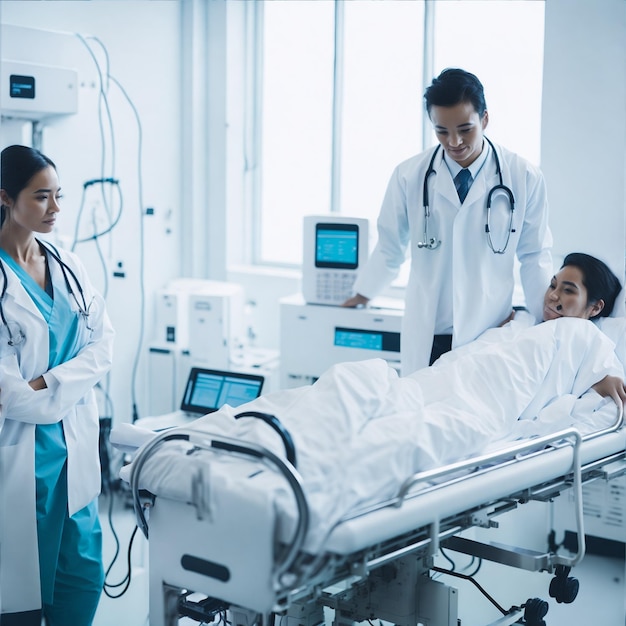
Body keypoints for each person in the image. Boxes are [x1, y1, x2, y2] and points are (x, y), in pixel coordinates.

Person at [118, 253, 625, 551]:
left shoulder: (586, 341)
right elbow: (470, 359)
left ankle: (279, 487)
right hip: (423, 387)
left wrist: (584, 402)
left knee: (399, 440)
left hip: (472, 415)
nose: (554, 298)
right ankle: (215, 442)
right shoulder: (519, 322)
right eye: (554, 286)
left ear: (595, 307)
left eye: (570, 292)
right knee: (348, 385)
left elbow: (605, 409)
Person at [343, 68, 553, 374]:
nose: (453, 141)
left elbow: (534, 255)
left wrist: (546, 318)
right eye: (442, 131)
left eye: (465, 129)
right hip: (430, 330)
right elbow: (390, 245)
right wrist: (364, 292)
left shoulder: (523, 176)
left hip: (489, 329)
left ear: (484, 120)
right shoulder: (409, 176)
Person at [0, 145, 115, 625]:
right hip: (21, 463)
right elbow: (13, 397)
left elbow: (105, 345)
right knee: (19, 602)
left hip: (77, 461)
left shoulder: (68, 264)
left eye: (58, 195)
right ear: (5, 198)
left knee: (80, 585)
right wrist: (72, 381)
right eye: (41, 197)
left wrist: (49, 381)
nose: (55, 210)